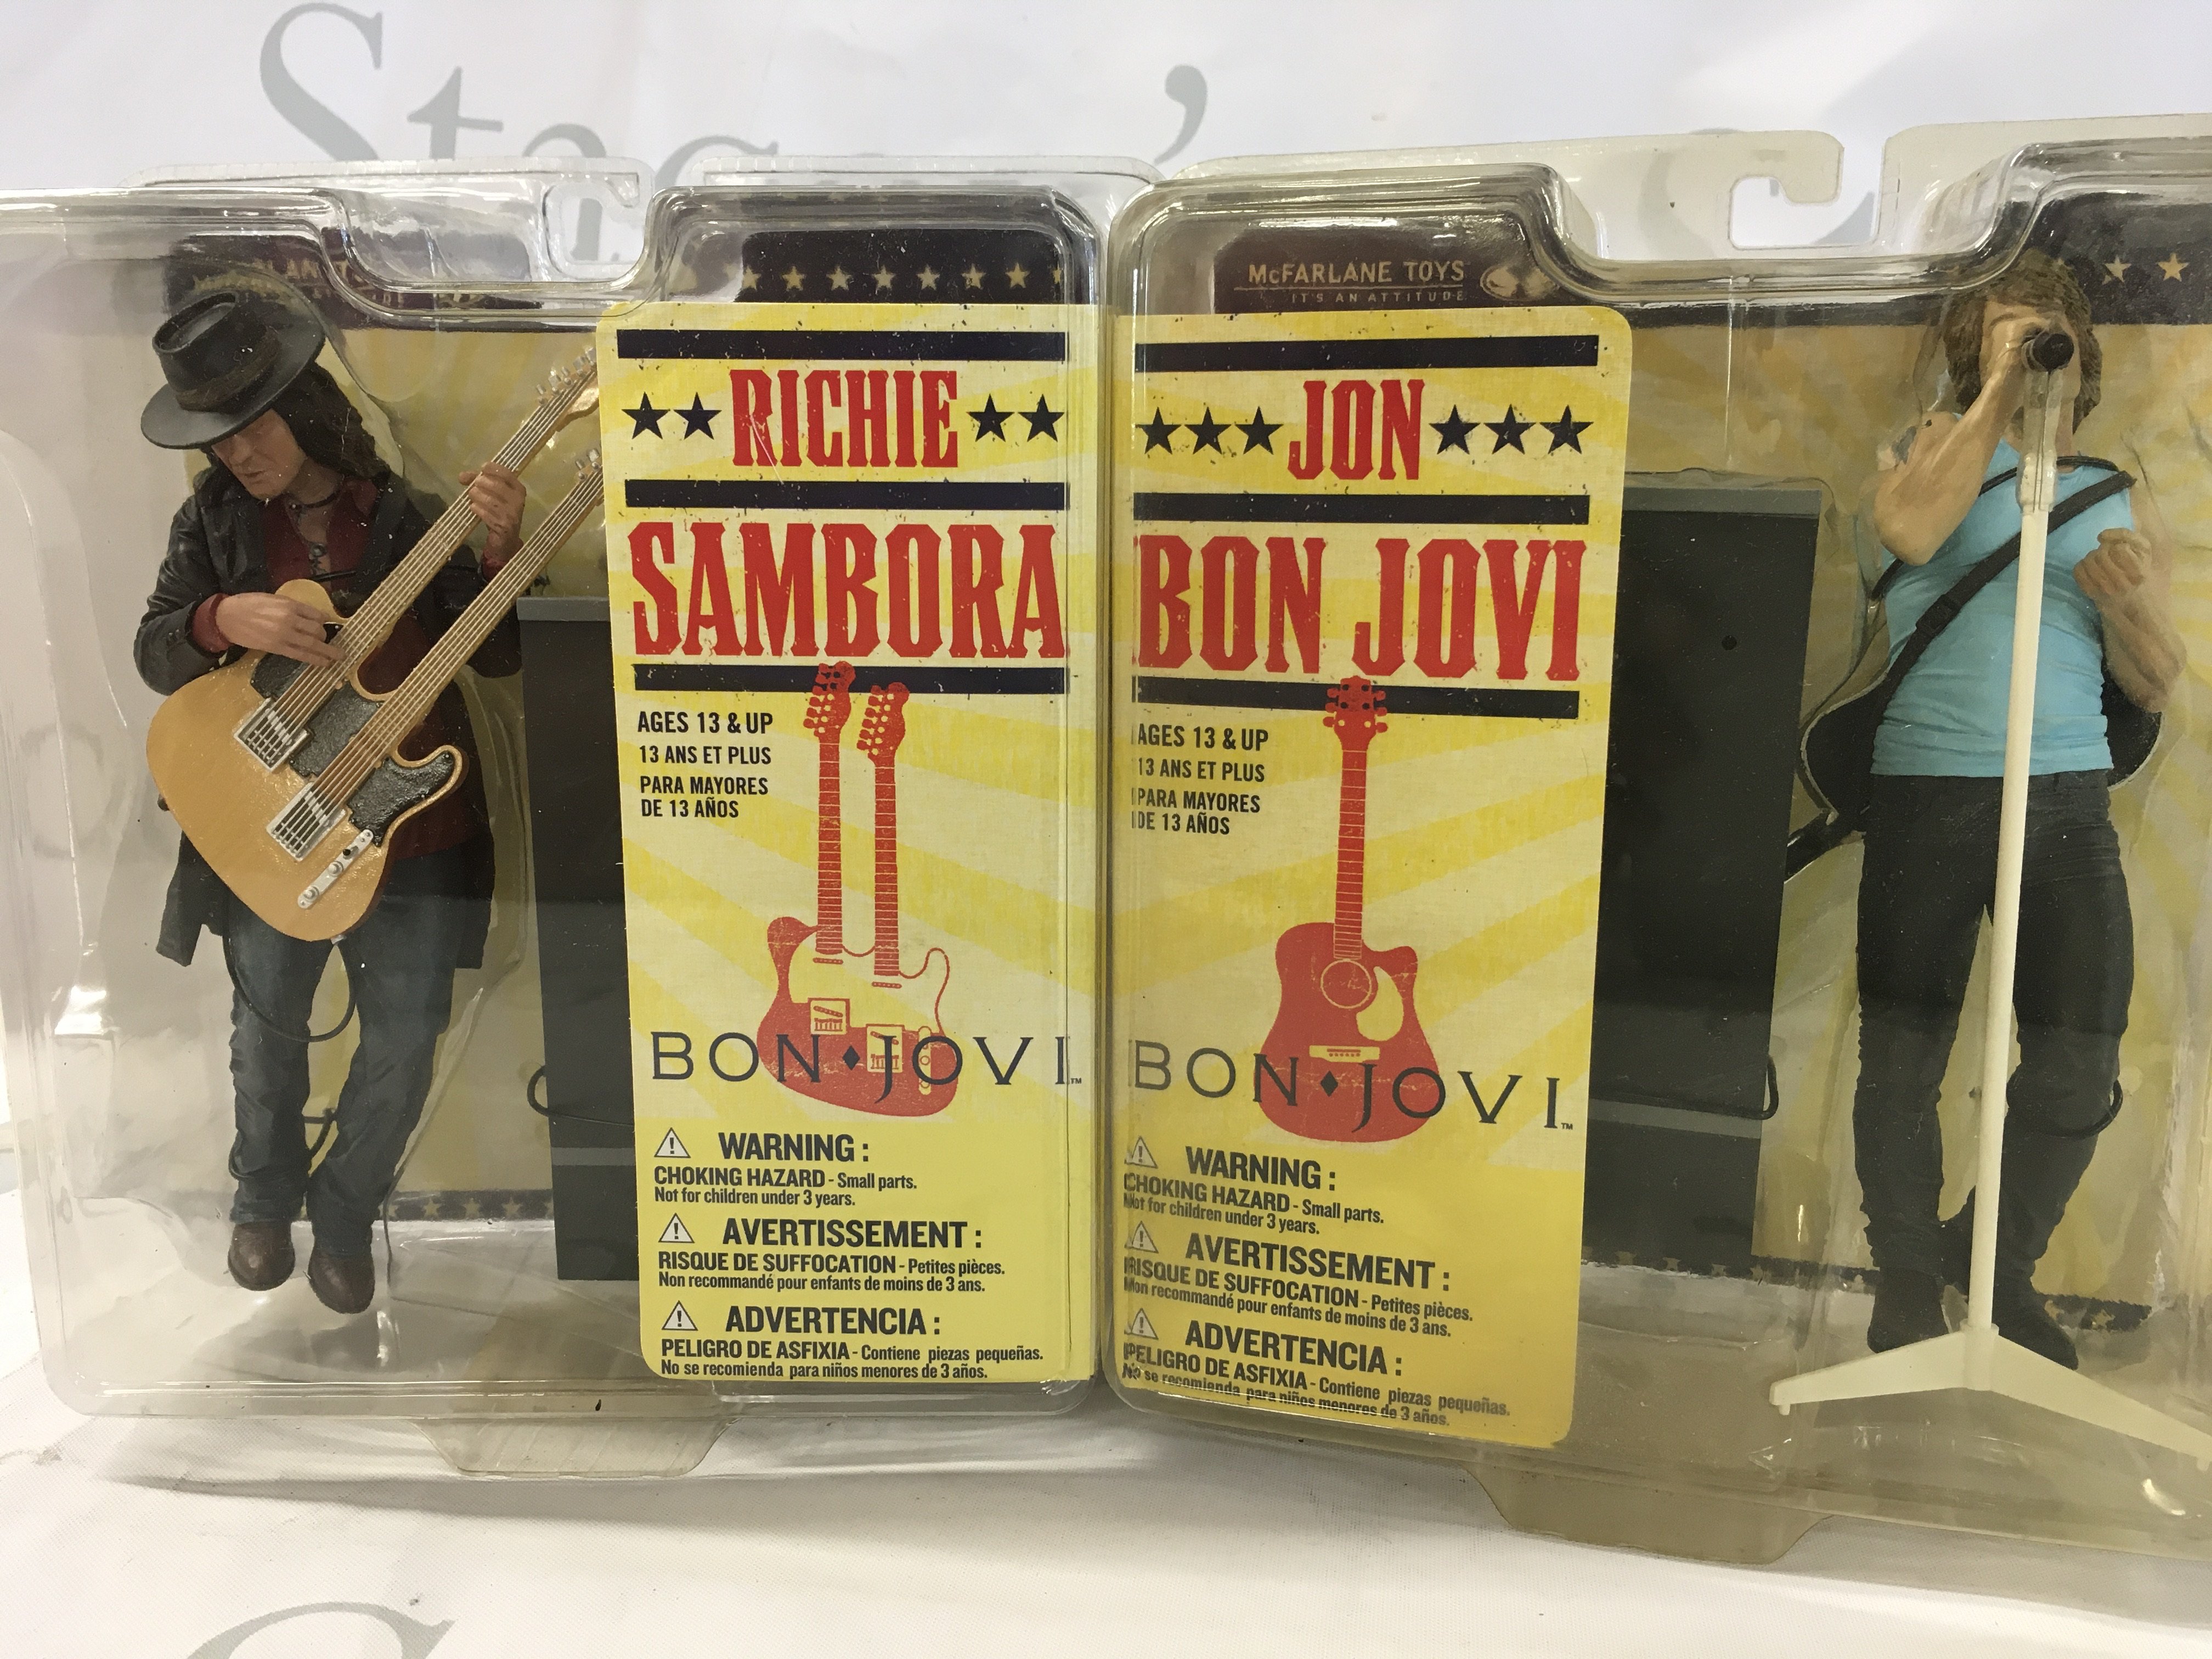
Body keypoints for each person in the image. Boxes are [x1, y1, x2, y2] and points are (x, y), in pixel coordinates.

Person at [134, 285, 527, 1315]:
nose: (237, 455)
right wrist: (223, 618)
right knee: (264, 1033)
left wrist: (499, 549)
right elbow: (157, 649)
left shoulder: (401, 514)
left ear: (299, 405)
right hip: (267, 825)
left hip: (411, 822)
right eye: (217, 439)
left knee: (403, 1043)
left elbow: (500, 656)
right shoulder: (213, 522)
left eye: (251, 426)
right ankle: (262, 1204)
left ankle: (347, 1216)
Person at [1857, 250, 2186, 1367]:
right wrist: (2001, 387)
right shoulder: (1922, 454)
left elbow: (2156, 683)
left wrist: (2131, 607)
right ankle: (1906, 1278)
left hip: (2066, 797)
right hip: (1928, 791)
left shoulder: (2112, 489)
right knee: (1904, 1056)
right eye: (2007, 327)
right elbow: (1910, 532)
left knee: (2080, 1062)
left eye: (2049, 329)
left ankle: (1993, 1264)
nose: (2038, 341)